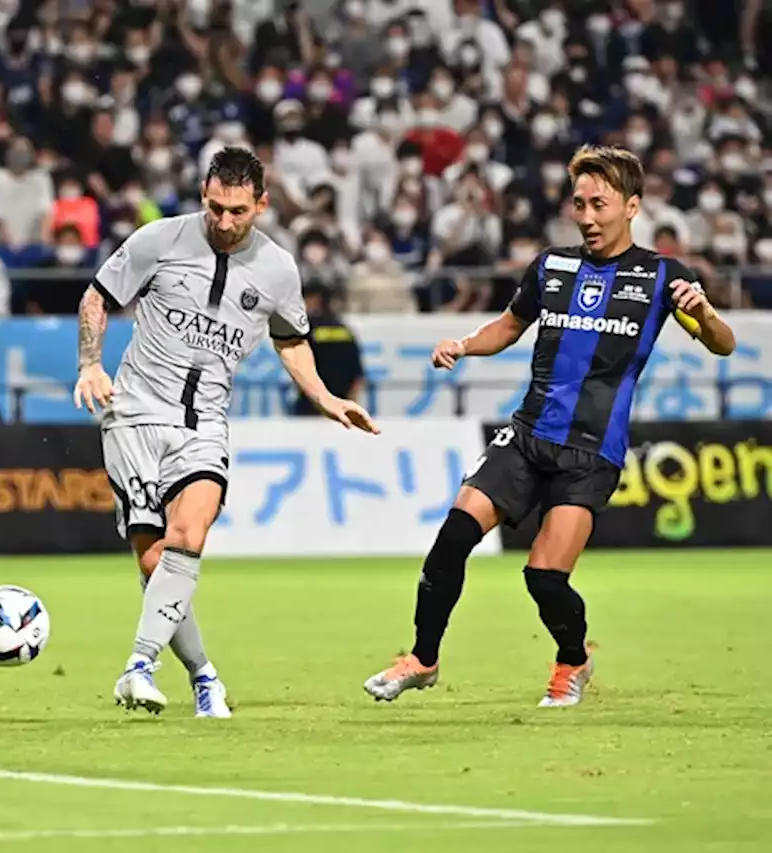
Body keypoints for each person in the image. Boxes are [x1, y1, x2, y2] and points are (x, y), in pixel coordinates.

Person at [364, 145, 736, 708]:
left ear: (632, 206)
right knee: (452, 539)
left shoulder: (662, 277)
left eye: (599, 205)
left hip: (591, 452)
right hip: (528, 435)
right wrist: (463, 346)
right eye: (579, 204)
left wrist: (704, 312)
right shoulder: (552, 266)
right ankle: (423, 658)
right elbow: (509, 327)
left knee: (543, 578)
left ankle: (573, 661)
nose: (586, 217)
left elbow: (723, 345)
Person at [74, 147, 380, 718]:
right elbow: (97, 295)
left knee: (190, 534)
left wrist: (325, 398)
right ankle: (203, 675)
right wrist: (91, 363)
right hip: (135, 413)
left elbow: (291, 341)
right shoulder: (157, 240)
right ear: (202, 196)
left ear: (261, 204)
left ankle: (139, 666)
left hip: (206, 424)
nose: (223, 221)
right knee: (154, 561)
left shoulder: (278, 270)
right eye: (214, 207)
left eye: (237, 211)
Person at [291, 282, 366, 415]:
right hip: (341, 404)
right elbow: (357, 375)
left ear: (315, 300)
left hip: (312, 403)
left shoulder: (306, 329)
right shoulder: (344, 329)